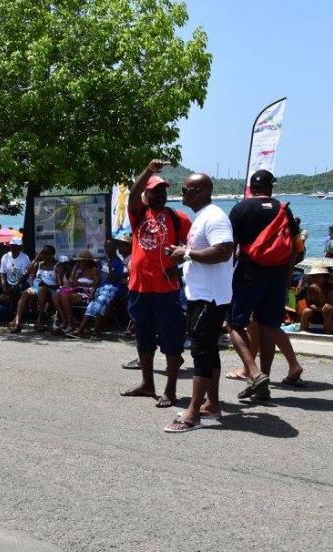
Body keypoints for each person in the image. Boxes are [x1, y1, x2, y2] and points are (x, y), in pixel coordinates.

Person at [165, 173, 235, 433]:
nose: (181, 195)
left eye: (184, 190)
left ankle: (193, 414)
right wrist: (183, 254)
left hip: (211, 296)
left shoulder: (215, 216)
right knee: (208, 349)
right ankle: (212, 405)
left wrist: (187, 253)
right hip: (201, 294)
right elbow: (201, 252)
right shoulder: (203, 216)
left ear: (200, 191)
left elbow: (224, 250)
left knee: (201, 351)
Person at [121, 160, 191, 409]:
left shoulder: (177, 218)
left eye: (163, 191)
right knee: (144, 339)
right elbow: (132, 193)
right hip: (139, 289)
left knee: (171, 341)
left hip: (166, 291)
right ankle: (147, 383)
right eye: (155, 191)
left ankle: (170, 389)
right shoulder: (138, 214)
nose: (161, 195)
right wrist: (149, 169)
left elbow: (194, 247)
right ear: (146, 195)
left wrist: (179, 264)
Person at [227, 170, 301, 398]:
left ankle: (254, 371)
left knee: (234, 324)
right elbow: (294, 249)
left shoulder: (240, 209)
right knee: (268, 326)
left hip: (249, 274)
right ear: (271, 188)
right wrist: (287, 278)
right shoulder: (284, 209)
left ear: (251, 188)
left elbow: (231, 247)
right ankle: (264, 386)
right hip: (278, 276)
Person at [73, 240, 128, 338]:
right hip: (101, 287)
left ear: (114, 248)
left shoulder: (118, 262)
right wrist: (94, 288)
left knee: (101, 304)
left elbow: (116, 279)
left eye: (109, 246)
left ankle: (96, 331)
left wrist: (111, 268)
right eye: (105, 246)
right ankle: (81, 330)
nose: (107, 248)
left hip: (112, 288)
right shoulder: (103, 260)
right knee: (91, 305)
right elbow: (99, 276)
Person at [9, 244, 57, 332]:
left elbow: (58, 284)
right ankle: (17, 322)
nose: (44, 255)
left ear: (52, 255)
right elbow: (28, 272)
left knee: (42, 289)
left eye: (46, 253)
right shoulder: (39, 264)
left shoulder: (56, 266)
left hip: (49, 289)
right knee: (25, 293)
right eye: (43, 253)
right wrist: (36, 258)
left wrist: (47, 285)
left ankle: (40, 319)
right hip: (36, 287)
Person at [298, 265, 333, 333]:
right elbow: (309, 304)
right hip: (317, 310)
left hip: (331, 312)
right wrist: (319, 308)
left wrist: (320, 293)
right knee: (306, 311)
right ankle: (302, 333)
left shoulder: (332, 288)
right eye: (314, 276)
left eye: (319, 276)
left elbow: (330, 305)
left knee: (326, 311)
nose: (315, 278)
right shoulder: (309, 287)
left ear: (325, 277)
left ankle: (328, 336)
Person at [0, 238, 31, 309]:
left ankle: (14, 309)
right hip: (10, 282)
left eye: (16, 246)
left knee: (17, 290)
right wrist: (4, 288)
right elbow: (2, 273)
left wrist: (12, 288)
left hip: (22, 282)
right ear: (10, 246)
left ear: (20, 247)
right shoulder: (5, 257)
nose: (14, 248)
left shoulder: (25, 257)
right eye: (12, 246)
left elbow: (24, 276)